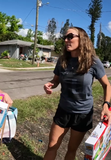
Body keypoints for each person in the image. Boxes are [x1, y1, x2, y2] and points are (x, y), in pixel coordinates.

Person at [43, 27, 111, 160]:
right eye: (65, 38)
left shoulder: (93, 61)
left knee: (71, 149)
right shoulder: (62, 60)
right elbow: (55, 81)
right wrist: (50, 84)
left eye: (70, 36)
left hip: (83, 114)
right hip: (63, 110)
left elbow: (107, 85)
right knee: (52, 145)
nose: (66, 40)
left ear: (82, 39)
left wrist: (106, 105)